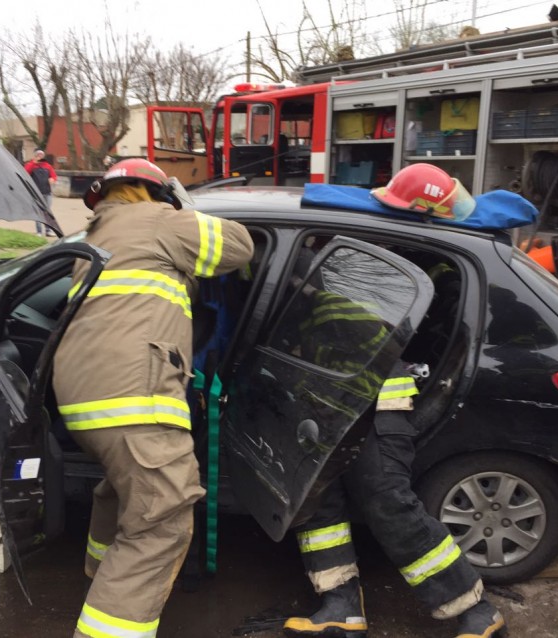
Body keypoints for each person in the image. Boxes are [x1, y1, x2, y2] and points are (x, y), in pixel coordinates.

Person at [52, 158, 254, 638]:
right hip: (133, 397)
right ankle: (111, 620)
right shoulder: (160, 221)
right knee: (162, 520)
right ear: (156, 193)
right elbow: (240, 246)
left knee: (124, 488)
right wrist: (185, 209)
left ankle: (103, 577)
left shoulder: (93, 239)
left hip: (82, 399)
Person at [281, 242, 506, 638]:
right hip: (335, 419)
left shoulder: (336, 305)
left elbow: (370, 348)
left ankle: (477, 611)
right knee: (319, 507)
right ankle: (341, 607)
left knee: (389, 505)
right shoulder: (314, 313)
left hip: (376, 414)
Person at [23, 148, 58, 236]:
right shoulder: (30, 165)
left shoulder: (48, 166)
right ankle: (39, 231)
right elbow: (25, 173)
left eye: (41, 155)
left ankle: (48, 230)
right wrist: (34, 162)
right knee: (38, 212)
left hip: (47, 192)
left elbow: (54, 176)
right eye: (38, 155)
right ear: (35, 155)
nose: (40, 156)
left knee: (47, 212)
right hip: (36, 193)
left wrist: (52, 179)